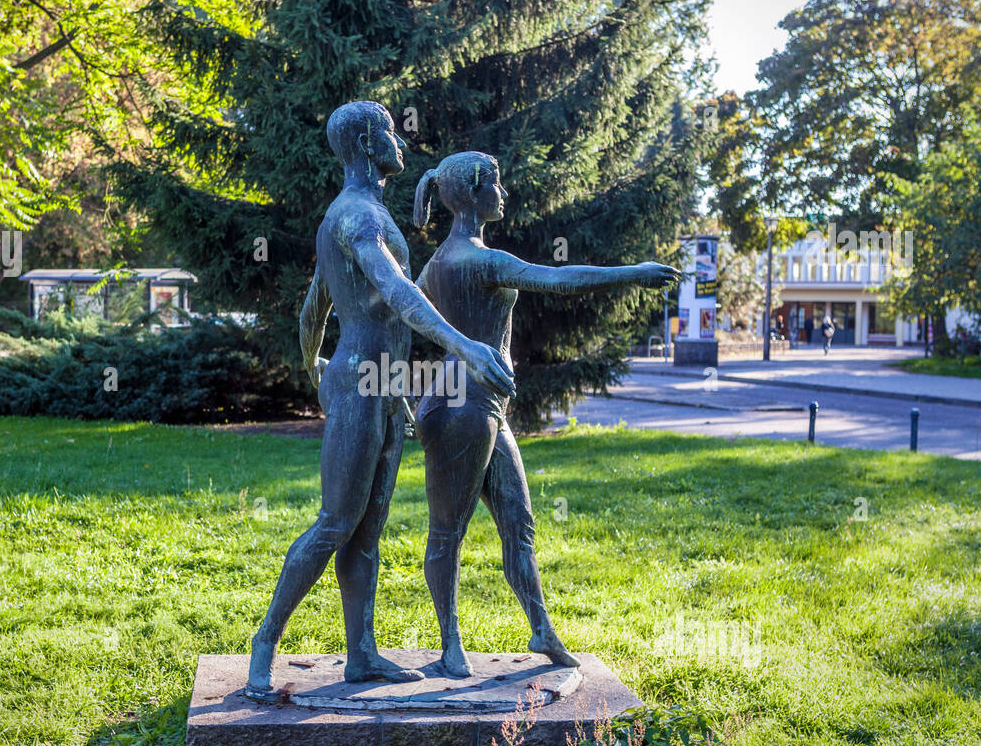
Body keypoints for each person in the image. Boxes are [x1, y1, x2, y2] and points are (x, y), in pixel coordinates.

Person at [246, 104, 515, 697]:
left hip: (383, 387)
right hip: (363, 383)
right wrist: (465, 346)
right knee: (336, 522)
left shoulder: (362, 215)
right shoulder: (357, 217)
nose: (400, 141)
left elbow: (313, 307)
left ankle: (361, 653)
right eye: (390, 132)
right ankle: (265, 644)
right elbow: (397, 292)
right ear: (368, 142)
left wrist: (313, 362)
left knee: (366, 533)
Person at [411, 151, 679, 677]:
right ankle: (450, 646)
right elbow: (557, 279)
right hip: (462, 405)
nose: (503, 192)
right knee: (448, 530)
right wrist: (633, 272)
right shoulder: (474, 260)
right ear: (471, 193)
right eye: (496, 182)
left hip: (481, 404)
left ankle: (541, 628)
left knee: (519, 522)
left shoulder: (438, 264)